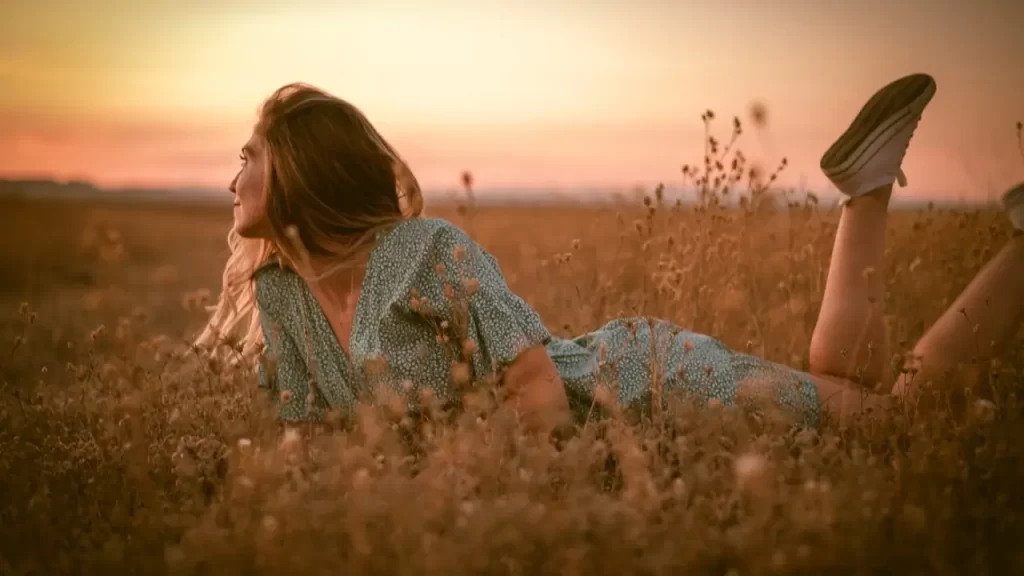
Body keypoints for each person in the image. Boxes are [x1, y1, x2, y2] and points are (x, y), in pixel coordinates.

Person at [196, 73, 1024, 433]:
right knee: (864, 400)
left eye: (250, 157)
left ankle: (898, 201)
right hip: (624, 428)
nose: (233, 176)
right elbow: (311, 440)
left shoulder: (424, 252)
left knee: (899, 425)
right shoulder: (284, 299)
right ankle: (869, 188)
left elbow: (539, 393)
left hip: (645, 388)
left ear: (305, 172)